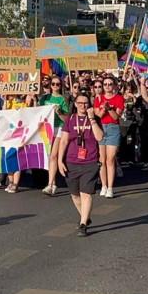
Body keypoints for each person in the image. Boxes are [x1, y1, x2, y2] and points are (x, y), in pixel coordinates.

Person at [59, 93, 104, 236]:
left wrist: (91, 119)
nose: (82, 106)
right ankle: (86, 216)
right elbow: (64, 141)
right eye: (80, 103)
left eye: (85, 103)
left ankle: (83, 224)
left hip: (90, 161)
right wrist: (60, 160)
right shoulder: (70, 120)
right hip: (72, 160)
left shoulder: (94, 119)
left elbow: (99, 137)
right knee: (75, 194)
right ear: (75, 104)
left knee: (86, 193)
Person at [94, 74, 125, 198]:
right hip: (101, 128)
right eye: (105, 84)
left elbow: (116, 117)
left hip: (113, 128)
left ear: (114, 86)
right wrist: (103, 109)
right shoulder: (98, 98)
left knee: (110, 159)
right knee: (102, 160)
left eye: (109, 84)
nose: (107, 86)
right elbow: (99, 115)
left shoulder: (119, 98)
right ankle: (104, 185)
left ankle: (110, 187)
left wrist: (109, 109)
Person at [41, 76, 70, 196]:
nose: (55, 86)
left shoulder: (63, 99)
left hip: (58, 128)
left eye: (58, 84)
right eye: (53, 84)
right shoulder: (45, 98)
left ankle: (51, 183)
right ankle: (52, 183)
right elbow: (38, 111)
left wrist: (59, 112)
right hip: (46, 127)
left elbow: (66, 118)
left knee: (53, 155)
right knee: (48, 155)